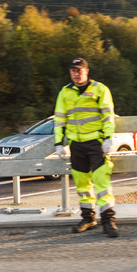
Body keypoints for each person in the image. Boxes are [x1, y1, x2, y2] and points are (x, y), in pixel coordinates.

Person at [53, 57, 119, 238]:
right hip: (76, 145)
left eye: (79, 70)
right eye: (73, 71)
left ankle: (108, 220)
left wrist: (107, 139)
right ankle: (88, 218)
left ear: (86, 71)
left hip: (96, 143)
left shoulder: (100, 89)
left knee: (101, 182)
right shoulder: (65, 92)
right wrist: (59, 143)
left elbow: (108, 116)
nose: (76, 74)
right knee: (82, 185)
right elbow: (59, 119)